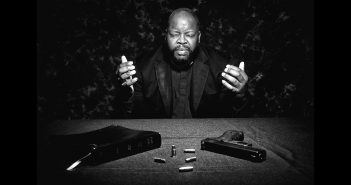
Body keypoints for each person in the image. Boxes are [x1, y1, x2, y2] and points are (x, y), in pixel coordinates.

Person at [117, 8, 248, 118]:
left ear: (199, 37)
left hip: (205, 137)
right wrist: (126, 94)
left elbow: (232, 117)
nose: (182, 40)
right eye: (175, 34)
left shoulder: (222, 67)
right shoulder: (141, 67)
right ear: (166, 35)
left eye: (189, 35)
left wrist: (240, 95)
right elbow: (133, 116)